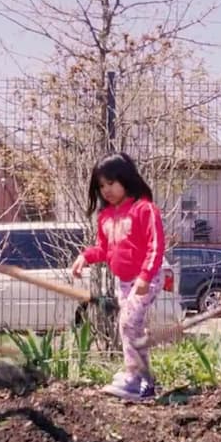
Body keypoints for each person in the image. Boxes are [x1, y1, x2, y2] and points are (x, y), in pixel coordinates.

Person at [69, 153, 166, 402]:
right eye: (101, 186)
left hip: (149, 276)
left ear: (125, 179)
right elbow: (104, 249)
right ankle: (145, 383)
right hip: (124, 281)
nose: (106, 190)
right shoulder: (106, 218)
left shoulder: (144, 210)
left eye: (111, 183)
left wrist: (145, 277)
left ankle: (133, 377)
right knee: (131, 327)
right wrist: (85, 257)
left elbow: (156, 246)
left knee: (127, 322)